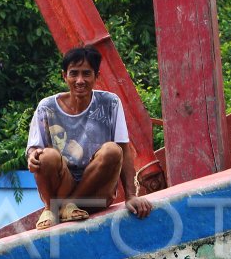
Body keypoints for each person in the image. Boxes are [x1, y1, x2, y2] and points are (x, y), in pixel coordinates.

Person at [26, 45, 152, 229]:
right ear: (64, 76)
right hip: (60, 188)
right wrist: (32, 157)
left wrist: (131, 196)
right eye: (74, 73)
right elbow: (33, 149)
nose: (79, 80)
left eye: (86, 74)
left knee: (112, 150)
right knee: (46, 156)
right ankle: (54, 207)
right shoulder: (47, 107)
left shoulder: (110, 103)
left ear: (96, 77)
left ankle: (64, 206)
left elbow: (124, 150)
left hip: (96, 196)